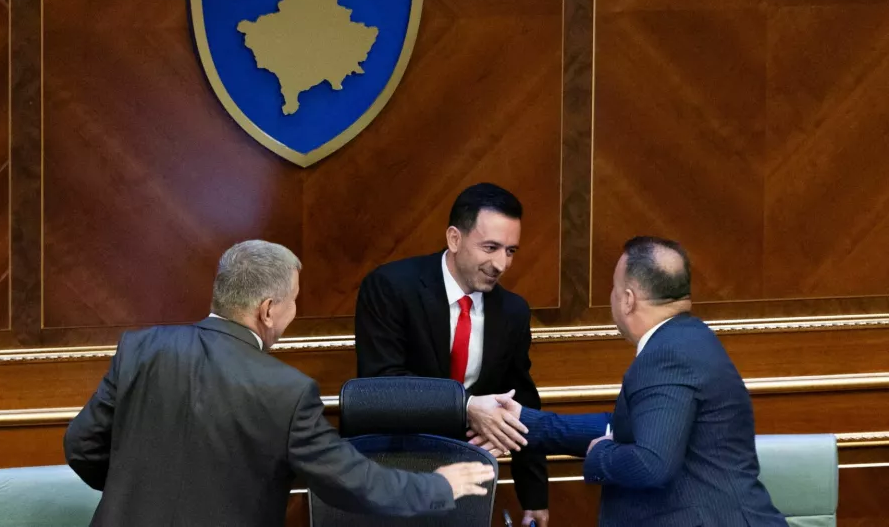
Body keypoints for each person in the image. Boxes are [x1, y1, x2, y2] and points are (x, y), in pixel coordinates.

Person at [64, 240, 495, 527]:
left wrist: (140, 495)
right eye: (293, 302)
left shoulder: (142, 348)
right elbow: (352, 483)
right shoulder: (286, 391)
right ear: (268, 310)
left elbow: (81, 446)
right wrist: (437, 485)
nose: (292, 314)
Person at [473, 237, 787, 526]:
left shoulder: (666, 356)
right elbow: (631, 429)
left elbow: (651, 463)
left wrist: (600, 454)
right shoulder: (688, 339)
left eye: (612, 288)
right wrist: (525, 422)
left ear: (627, 299)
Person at [354, 183, 549, 527]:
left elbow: (522, 403)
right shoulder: (390, 287)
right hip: (393, 470)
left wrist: (534, 497)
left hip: (468, 478)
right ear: (454, 239)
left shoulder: (513, 311)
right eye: (490, 247)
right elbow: (380, 385)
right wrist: (466, 407)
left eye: (511, 250)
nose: (501, 263)